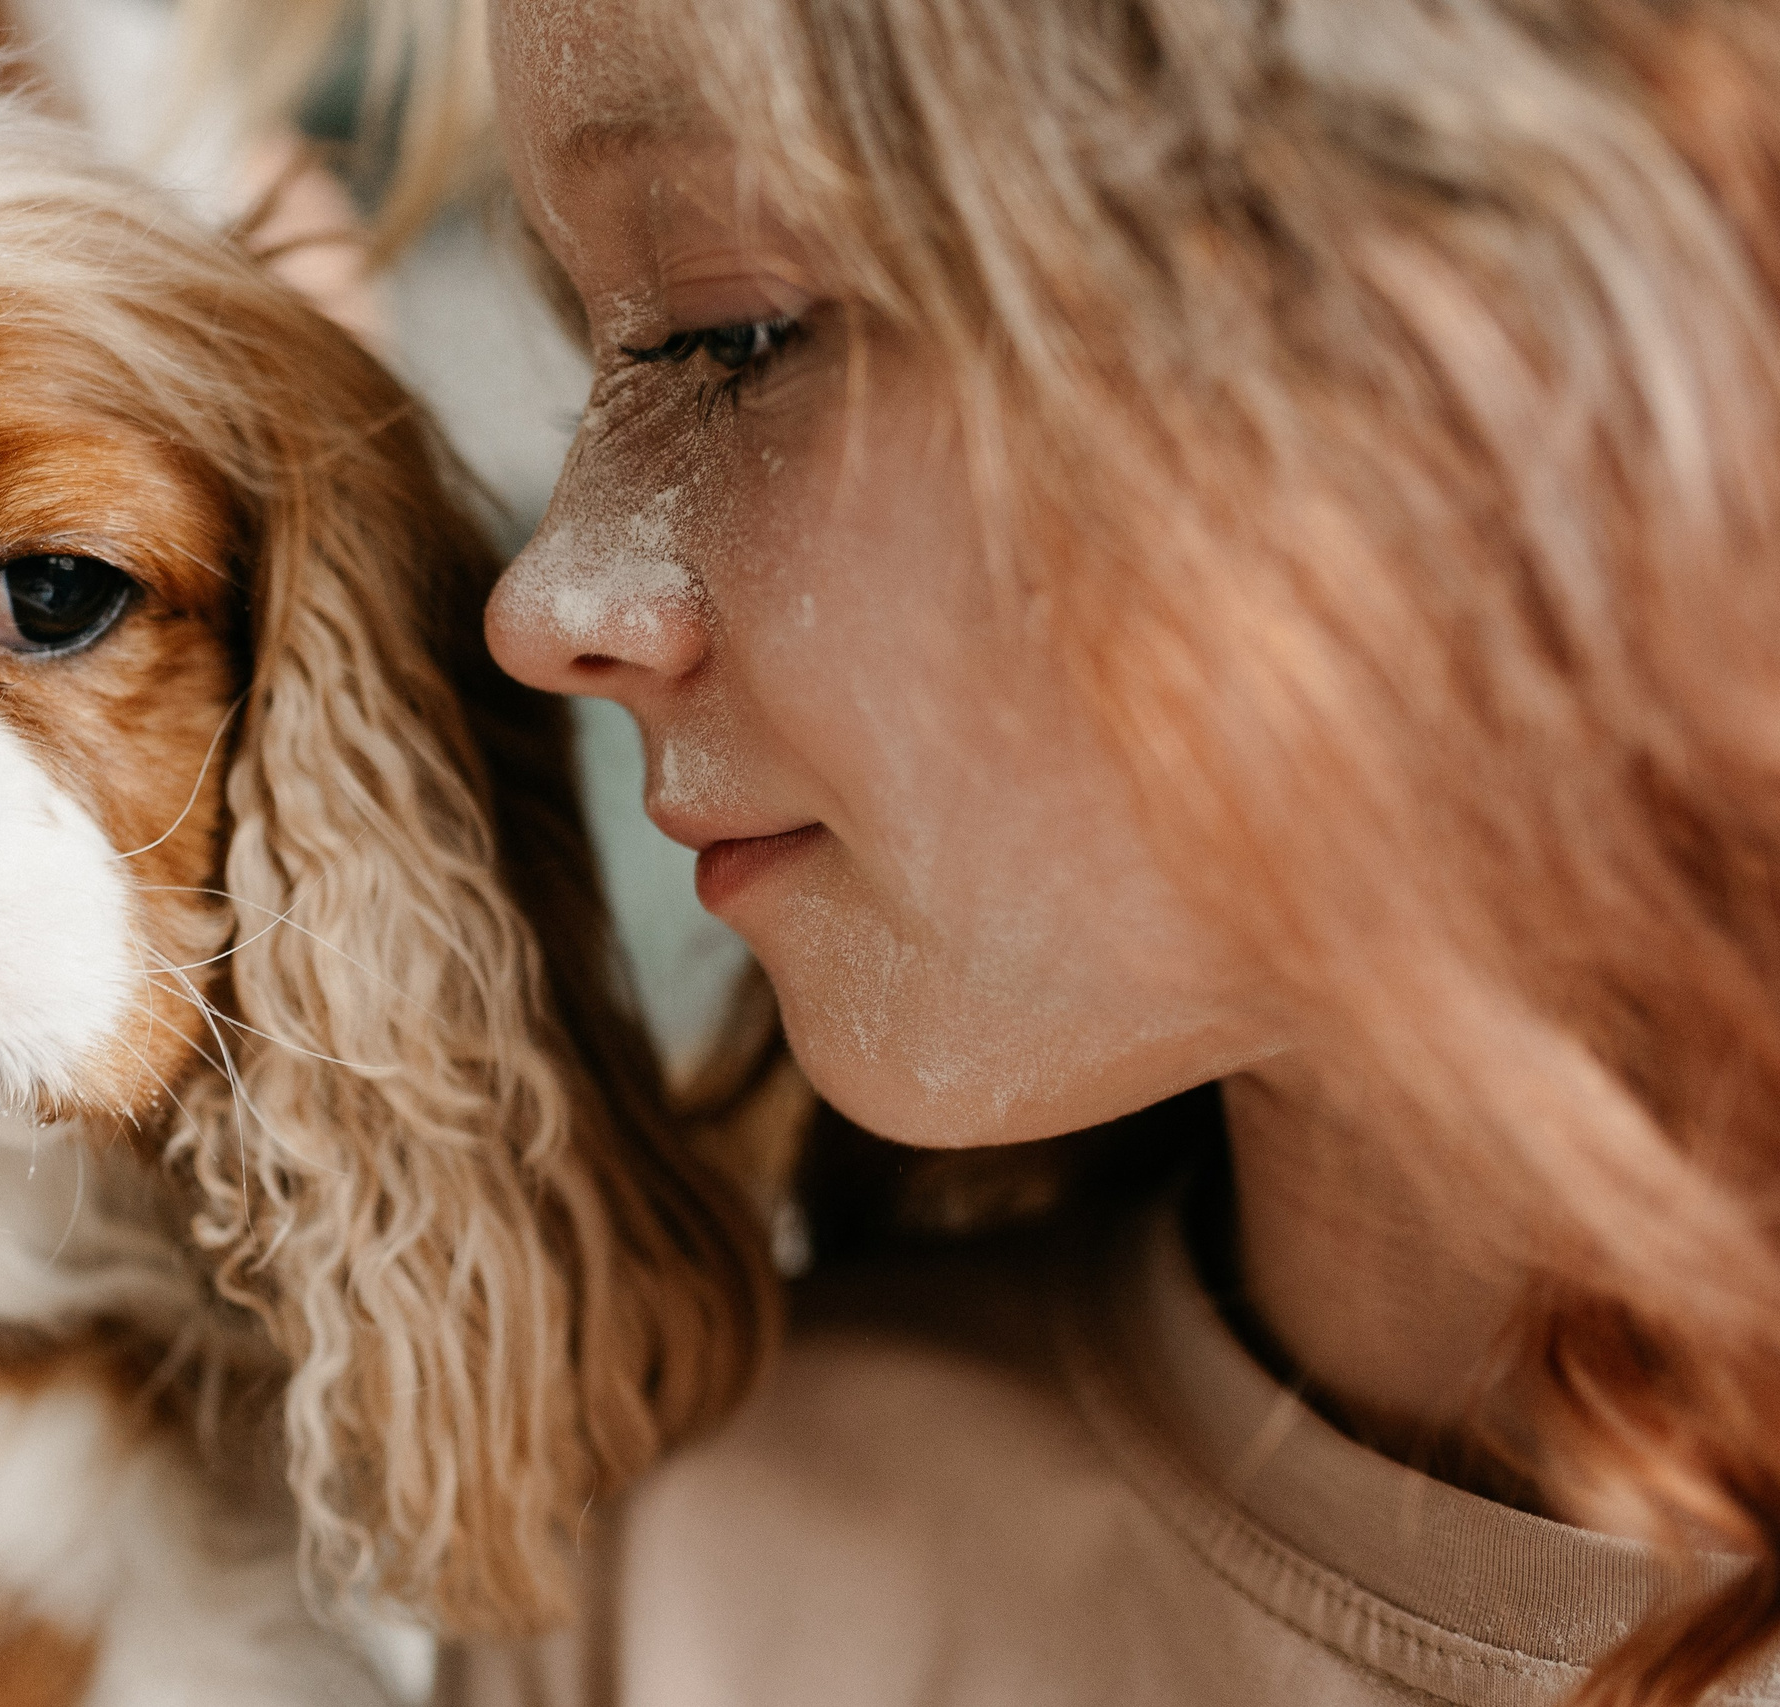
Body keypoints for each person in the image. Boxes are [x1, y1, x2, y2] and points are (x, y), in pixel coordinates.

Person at [434, 0, 1780, 1704]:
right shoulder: (676, 1577)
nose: (541, 603)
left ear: (1496, 323)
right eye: (602, 353)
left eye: (734, 333)